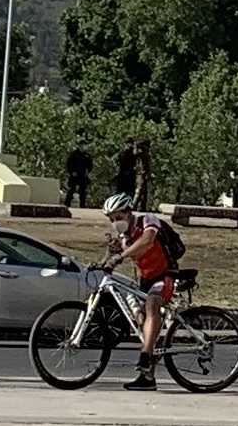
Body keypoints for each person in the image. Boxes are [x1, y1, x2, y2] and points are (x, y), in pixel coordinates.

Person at [101, 192, 175, 391]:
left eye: (118, 217)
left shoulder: (147, 221)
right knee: (140, 319)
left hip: (165, 275)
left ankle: (145, 355)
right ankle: (147, 376)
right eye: (112, 219)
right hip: (145, 279)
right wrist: (107, 259)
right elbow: (115, 253)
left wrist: (121, 256)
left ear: (128, 212)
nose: (115, 222)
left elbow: (147, 241)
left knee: (152, 305)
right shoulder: (124, 237)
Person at [63, 143, 93, 208]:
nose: (82, 147)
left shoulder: (87, 155)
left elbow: (90, 165)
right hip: (74, 175)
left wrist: (88, 171)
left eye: (84, 145)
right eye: (81, 145)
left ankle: (82, 205)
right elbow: (69, 164)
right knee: (71, 190)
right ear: (78, 146)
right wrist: (72, 172)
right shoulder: (74, 154)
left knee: (83, 191)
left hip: (83, 176)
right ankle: (67, 204)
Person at [133, 139, 152, 211]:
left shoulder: (144, 153)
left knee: (144, 191)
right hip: (142, 174)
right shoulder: (143, 153)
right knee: (140, 190)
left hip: (144, 173)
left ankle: (141, 207)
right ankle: (134, 206)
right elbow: (135, 154)